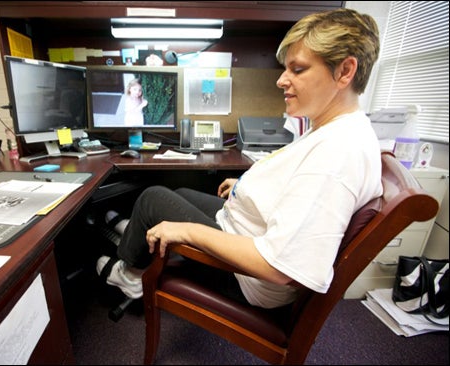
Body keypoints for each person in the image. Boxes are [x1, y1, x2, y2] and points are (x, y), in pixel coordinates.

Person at [97, 8, 383, 309]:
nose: (281, 80)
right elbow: (299, 191)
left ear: (345, 71)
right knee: (179, 193)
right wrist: (249, 187)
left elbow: (277, 267)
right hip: (244, 230)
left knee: (153, 197)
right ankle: (138, 236)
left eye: (297, 69)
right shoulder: (336, 130)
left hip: (249, 279)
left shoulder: (338, 152)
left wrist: (185, 230)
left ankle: (128, 275)